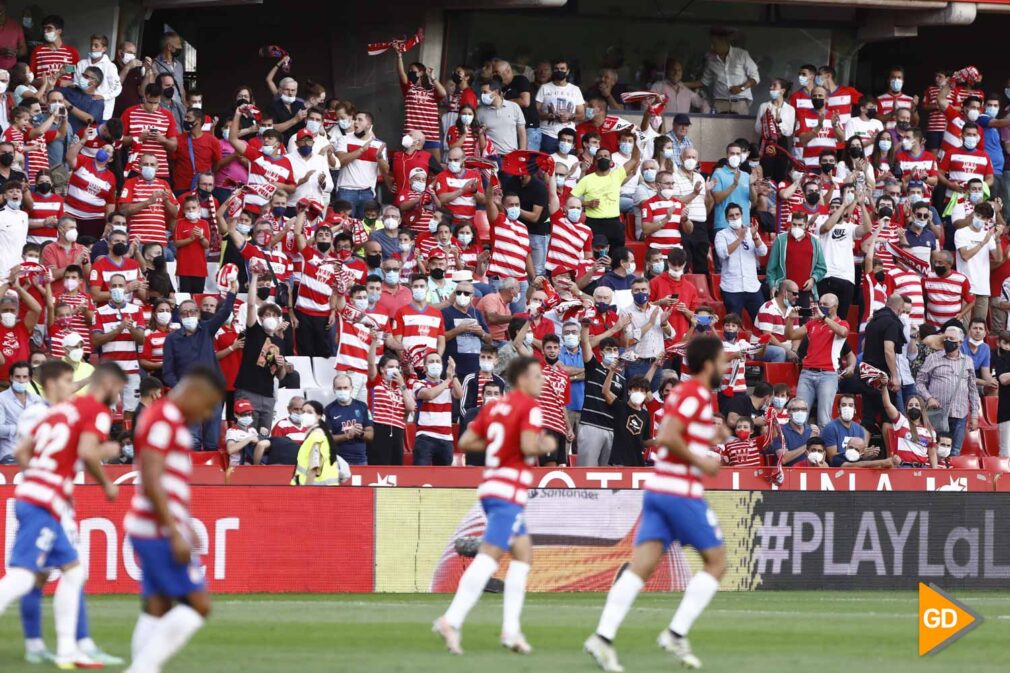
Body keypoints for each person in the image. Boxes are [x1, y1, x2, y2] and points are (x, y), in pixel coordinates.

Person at [585, 336, 726, 672]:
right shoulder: (696, 394)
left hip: (659, 488)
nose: (726, 367)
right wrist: (702, 460)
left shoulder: (687, 395)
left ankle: (602, 638)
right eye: (722, 360)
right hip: (679, 490)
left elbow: (675, 434)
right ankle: (676, 633)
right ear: (708, 363)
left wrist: (709, 439)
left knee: (640, 568)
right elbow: (671, 436)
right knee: (717, 562)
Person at [0, 362, 122, 669]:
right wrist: (105, 461)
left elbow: (24, 451)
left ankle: (71, 649)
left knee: (71, 571)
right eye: (69, 380)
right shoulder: (80, 411)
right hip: (44, 500)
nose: (73, 386)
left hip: (49, 499)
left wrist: (42, 475)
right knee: (25, 576)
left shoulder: (61, 411)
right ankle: (50, 645)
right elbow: (84, 452)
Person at [434, 356, 555, 655]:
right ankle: (451, 619)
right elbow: (528, 447)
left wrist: (499, 444)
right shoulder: (529, 406)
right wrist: (545, 446)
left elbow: (466, 441)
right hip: (508, 491)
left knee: (523, 554)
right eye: (537, 376)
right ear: (523, 379)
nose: (542, 381)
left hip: (491, 486)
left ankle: (511, 630)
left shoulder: (496, 407)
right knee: (490, 557)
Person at [124, 365, 225, 673]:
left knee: (157, 607)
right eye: (208, 405)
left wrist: (184, 523)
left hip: (153, 526)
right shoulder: (164, 420)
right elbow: (152, 477)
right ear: (194, 392)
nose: (207, 414)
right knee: (198, 606)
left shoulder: (163, 418)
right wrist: (173, 530)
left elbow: (166, 480)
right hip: (157, 530)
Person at [162, 281, 237, 451]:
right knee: (192, 440)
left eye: (193, 312)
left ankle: (210, 476)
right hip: (189, 395)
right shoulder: (171, 340)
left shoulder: (206, 329)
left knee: (212, 442)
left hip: (213, 393)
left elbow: (224, 311)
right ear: (179, 317)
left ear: (198, 313)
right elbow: (167, 372)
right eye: (185, 313)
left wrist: (232, 293)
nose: (189, 315)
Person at [785, 292, 849, 429]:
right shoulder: (812, 323)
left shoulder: (842, 323)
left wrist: (824, 318)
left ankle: (825, 449)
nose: (821, 307)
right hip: (807, 372)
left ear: (835, 306)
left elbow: (843, 332)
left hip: (828, 374)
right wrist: (790, 320)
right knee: (799, 414)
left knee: (824, 418)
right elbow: (790, 335)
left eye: (825, 305)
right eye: (820, 304)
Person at [915, 325, 980, 456]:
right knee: (933, 449)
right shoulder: (933, 358)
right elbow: (919, 383)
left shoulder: (967, 361)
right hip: (937, 414)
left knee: (954, 451)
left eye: (951, 338)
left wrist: (974, 416)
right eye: (946, 338)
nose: (947, 341)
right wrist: (929, 398)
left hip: (960, 414)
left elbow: (973, 390)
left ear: (960, 342)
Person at [577, 325, 625, 467]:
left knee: (607, 477)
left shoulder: (621, 380)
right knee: (586, 472)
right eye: (608, 350)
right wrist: (585, 327)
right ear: (601, 353)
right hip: (591, 426)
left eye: (615, 350)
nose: (612, 353)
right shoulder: (593, 368)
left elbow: (621, 408)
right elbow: (585, 343)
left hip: (612, 430)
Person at [714, 203, 767, 323]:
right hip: (732, 287)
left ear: (742, 215)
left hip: (752, 286)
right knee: (733, 325)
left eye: (737, 214)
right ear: (727, 218)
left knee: (761, 323)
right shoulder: (721, 234)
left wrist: (755, 237)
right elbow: (722, 254)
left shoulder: (751, 231)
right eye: (731, 215)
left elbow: (763, 251)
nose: (735, 217)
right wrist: (740, 239)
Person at [412, 351, 462, 466]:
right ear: (424, 368)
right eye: (431, 361)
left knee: (443, 480)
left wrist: (453, 374)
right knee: (421, 477)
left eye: (438, 361)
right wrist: (448, 380)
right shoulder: (418, 383)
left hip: (446, 438)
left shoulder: (448, 384)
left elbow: (459, 394)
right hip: (425, 437)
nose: (435, 364)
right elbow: (429, 395)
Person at [291, 399, 351, 485]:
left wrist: (305, 491)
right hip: (324, 489)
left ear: (319, 416)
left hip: (316, 490)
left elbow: (314, 468)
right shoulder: (320, 433)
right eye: (303, 412)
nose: (305, 415)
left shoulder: (316, 436)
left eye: (309, 412)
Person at [535, 59, 584, 155]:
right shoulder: (545, 88)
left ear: (568, 71)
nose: (559, 71)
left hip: (568, 136)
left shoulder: (575, 90)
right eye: (556, 69)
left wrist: (570, 117)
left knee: (567, 165)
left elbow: (582, 115)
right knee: (547, 165)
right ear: (553, 71)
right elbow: (535, 112)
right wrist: (551, 115)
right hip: (548, 135)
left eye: (562, 69)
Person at [323, 373, 374, 466]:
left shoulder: (362, 406)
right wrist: (347, 436)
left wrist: (360, 433)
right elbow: (327, 438)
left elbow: (370, 435)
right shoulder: (328, 410)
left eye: (345, 387)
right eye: (339, 388)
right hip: (338, 461)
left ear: (351, 388)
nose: (342, 390)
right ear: (334, 389)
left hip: (360, 460)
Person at [882, 386, 937, 467]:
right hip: (903, 467)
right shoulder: (901, 421)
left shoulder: (930, 431)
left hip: (922, 468)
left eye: (916, 405)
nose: (913, 407)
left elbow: (932, 454)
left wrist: (935, 472)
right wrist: (884, 387)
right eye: (910, 405)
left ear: (922, 409)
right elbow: (887, 405)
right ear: (907, 409)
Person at [0, 360, 38, 463]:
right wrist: (20, 428)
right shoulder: (2, 399)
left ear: (30, 379)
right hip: (11, 453)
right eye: (18, 377)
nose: (21, 380)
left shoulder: (37, 399)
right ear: (11, 378)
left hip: (34, 454)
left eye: (25, 377)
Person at [476, 78, 525, 155]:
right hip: (491, 157)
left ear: (495, 92)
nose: (482, 95)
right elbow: (476, 134)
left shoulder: (514, 107)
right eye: (482, 92)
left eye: (485, 92)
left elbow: (521, 132)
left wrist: (522, 152)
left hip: (511, 156)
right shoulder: (479, 112)